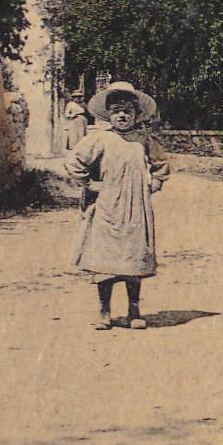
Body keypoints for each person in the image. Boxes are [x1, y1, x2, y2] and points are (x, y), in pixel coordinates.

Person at [65, 81, 170, 330]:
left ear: (136, 114)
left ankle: (134, 310)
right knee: (105, 261)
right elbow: (75, 162)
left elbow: (161, 164)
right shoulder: (100, 139)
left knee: (133, 258)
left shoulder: (143, 140)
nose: (122, 115)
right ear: (109, 115)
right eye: (116, 111)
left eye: (127, 111)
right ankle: (104, 311)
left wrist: (155, 181)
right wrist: (90, 184)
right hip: (108, 208)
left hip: (136, 207)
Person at [62, 87, 89, 152]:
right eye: (76, 97)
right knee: (74, 134)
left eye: (79, 96)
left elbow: (88, 111)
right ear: (73, 98)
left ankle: (82, 147)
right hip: (74, 120)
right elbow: (66, 114)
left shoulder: (83, 104)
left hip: (82, 120)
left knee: (82, 133)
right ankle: (73, 148)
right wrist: (72, 115)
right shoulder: (70, 104)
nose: (78, 98)